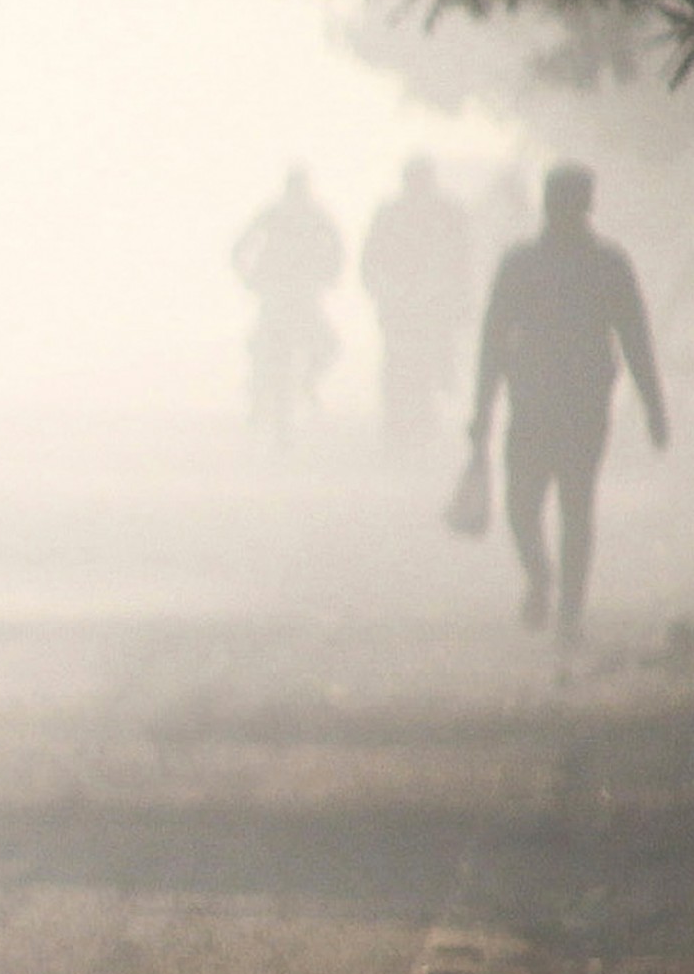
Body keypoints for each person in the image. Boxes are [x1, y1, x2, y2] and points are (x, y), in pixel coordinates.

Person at [471, 161, 668, 642]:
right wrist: (481, 410)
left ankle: (567, 608)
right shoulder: (532, 263)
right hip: (547, 401)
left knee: (560, 505)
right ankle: (546, 583)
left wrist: (654, 406)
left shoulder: (601, 264)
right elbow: (494, 338)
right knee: (533, 505)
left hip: (570, 403)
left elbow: (635, 337)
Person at [359, 157, 476, 446]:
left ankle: (414, 418)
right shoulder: (435, 212)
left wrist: (459, 298)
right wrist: (380, 290)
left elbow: (463, 260)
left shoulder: (445, 213)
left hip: (427, 304)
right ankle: (401, 421)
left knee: (424, 360)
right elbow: (371, 259)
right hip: (403, 303)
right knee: (401, 361)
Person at [233, 166, 345, 440]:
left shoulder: (304, 214)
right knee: (269, 349)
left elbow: (337, 248)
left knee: (320, 344)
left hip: (297, 293)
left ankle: (300, 385)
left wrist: (328, 274)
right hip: (282, 293)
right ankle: (267, 397)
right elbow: (240, 248)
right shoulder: (290, 213)